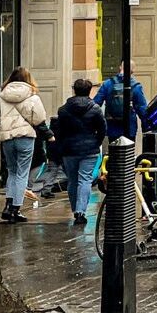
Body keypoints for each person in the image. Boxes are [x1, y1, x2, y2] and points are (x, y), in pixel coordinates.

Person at [51, 78, 106, 226]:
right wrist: (96, 142)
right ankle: (81, 212)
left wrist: (62, 147)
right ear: (89, 91)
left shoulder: (63, 110)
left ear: (74, 90)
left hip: (69, 150)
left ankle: (76, 209)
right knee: (85, 180)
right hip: (89, 150)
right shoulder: (95, 109)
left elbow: (59, 131)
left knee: (73, 181)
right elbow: (102, 129)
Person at [0, 67, 47, 223]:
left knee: (11, 171)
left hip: (7, 137)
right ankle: (15, 208)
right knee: (22, 173)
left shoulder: (2, 95)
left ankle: (8, 205)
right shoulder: (32, 95)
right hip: (25, 137)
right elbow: (39, 118)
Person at [94, 62, 149, 142]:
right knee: (128, 152)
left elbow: (96, 103)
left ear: (120, 67)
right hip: (130, 128)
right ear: (133, 71)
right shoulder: (136, 87)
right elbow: (142, 110)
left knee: (114, 152)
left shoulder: (107, 84)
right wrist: (146, 127)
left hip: (112, 126)